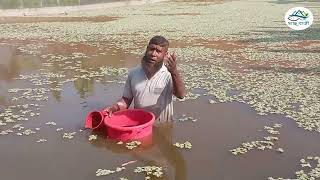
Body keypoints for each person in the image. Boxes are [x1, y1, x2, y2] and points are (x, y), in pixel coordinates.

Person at [103, 35, 185, 122]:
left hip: (163, 125)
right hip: (140, 125)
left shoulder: (169, 74)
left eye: (158, 51)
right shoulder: (133, 73)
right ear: (147, 49)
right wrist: (114, 108)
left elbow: (181, 95)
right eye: (151, 49)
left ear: (165, 55)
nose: (153, 54)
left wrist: (174, 72)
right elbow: (126, 99)